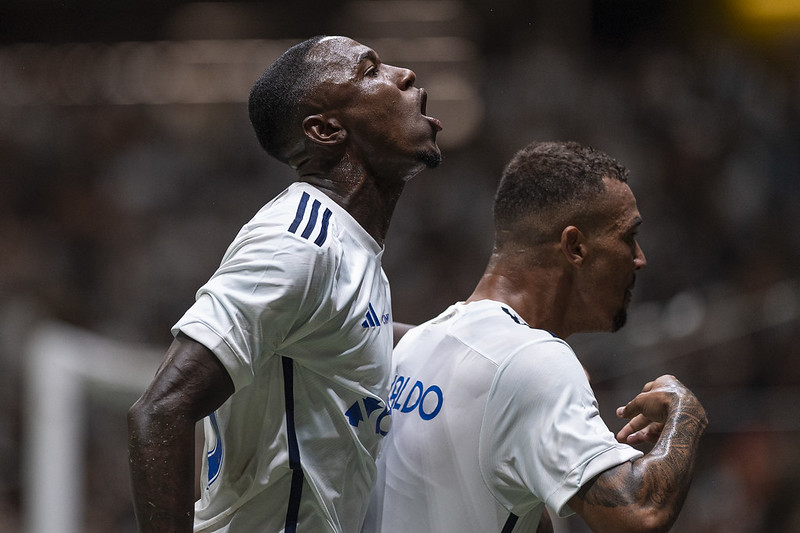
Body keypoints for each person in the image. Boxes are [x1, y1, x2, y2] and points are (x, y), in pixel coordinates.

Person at [127, 35, 443, 533]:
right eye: (370, 70)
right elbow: (160, 409)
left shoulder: (350, 250)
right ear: (325, 129)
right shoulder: (298, 244)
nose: (404, 75)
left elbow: (366, 337)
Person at [364, 141, 708, 533]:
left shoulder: (417, 342)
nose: (640, 258)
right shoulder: (535, 360)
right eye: (628, 236)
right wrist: (687, 412)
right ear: (575, 247)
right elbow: (639, 515)